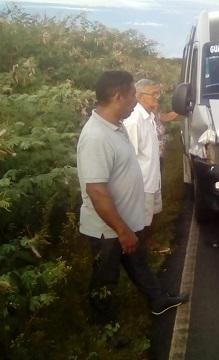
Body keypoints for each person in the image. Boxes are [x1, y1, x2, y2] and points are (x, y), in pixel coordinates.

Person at [76, 71, 185, 342]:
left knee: (139, 265)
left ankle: (159, 301)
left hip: (124, 223)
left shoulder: (115, 126)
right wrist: (122, 230)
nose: (135, 102)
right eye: (132, 95)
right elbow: (96, 191)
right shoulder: (95, 136)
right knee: (105, 281)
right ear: (117, 96)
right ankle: (105, 332)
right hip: (108, 229)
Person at [124, 79, 164, 235]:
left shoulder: (149, 117)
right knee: (139, 227)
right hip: (141, 186)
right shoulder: (134, 121)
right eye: (153, 94)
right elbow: (129, 159)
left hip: (152, 180)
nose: (157, 97)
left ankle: (147, 250)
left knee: (149, 220)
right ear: (140, 96)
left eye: (157, 93)